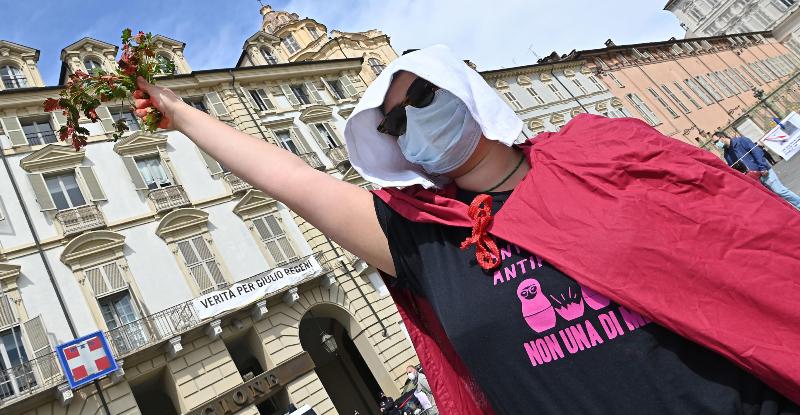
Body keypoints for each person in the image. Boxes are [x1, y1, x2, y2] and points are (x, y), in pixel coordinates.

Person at [132, 45, 800, 414]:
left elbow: (746, 250)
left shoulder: (600, 157)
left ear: (467, 88)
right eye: (393, 122)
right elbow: (293, 181)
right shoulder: (423, 239)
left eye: (421, 96)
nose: (410, 121)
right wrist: (180, 114)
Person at [713, 131, 800, 209]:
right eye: (715, 143)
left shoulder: (741, 141)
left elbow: (756, 151)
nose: (716, 144)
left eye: (716, 141)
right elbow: (736, 169)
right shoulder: (727, 155)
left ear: (723, 137)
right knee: (774, 199)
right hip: (754, 180)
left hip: (764, 173)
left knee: (780, 191)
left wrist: (762, 167)